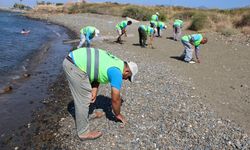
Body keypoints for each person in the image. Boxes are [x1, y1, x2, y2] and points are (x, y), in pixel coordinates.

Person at [63, 47, 138, 140]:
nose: (126, 79)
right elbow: (115, 99)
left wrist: (94, 89)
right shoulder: (117, 72)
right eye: (128, 77)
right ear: (127, 71)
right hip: (74, 65)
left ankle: (86, 116)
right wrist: (118, 114)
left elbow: (98, 68)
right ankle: (83, 133)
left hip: (74, 59)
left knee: (88, 94)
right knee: (83, 99)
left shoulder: (117, 62)